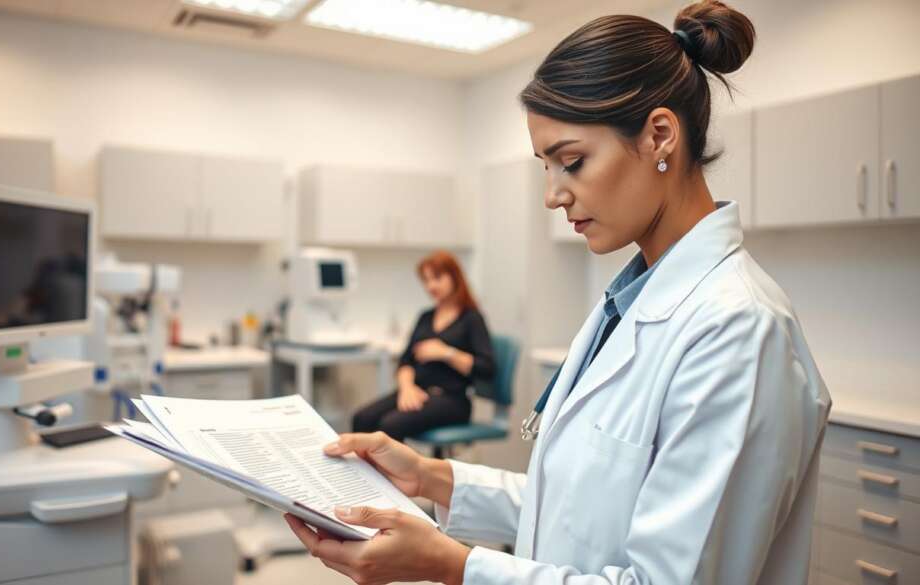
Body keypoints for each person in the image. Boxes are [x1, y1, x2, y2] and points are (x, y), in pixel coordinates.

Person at [286, 2, 831, 584]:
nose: (553, 195)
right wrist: (431, 477)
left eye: (571, 162)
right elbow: (578, 510)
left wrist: (452, 564)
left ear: (660, 136)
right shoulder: (623, 307)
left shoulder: (738, 330)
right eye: (547, 166)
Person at [352, 250, 495, 442]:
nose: (430, 286)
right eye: (426, 280)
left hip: (452, 400)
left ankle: (394, 473)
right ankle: (364, 473)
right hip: (416, 391)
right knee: (362, 419)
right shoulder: (425, 317)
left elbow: (487, 368)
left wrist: (446, 352)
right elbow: (405, 361)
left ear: (454, 277)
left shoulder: (471, 319)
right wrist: (407, 389)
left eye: (437, 278)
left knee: (390, 425)